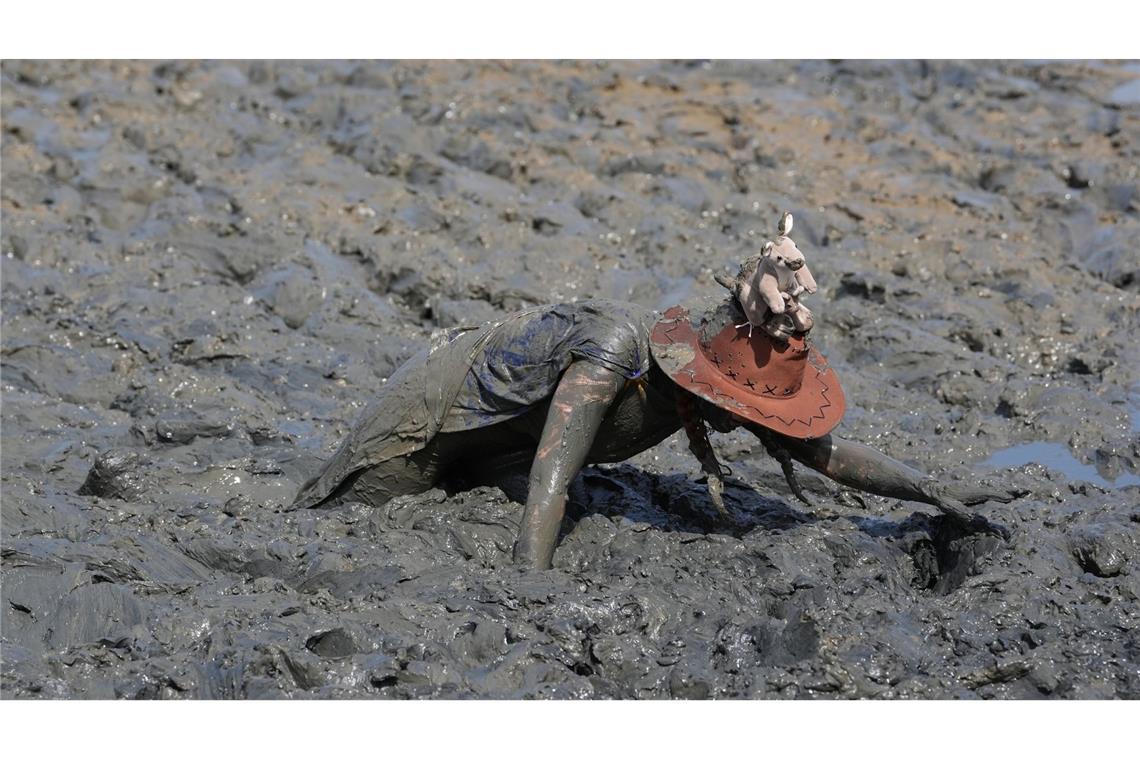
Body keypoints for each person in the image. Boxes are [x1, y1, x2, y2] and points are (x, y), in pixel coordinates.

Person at [292, 296, 1013, 570]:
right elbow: (554, 471)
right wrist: (531, 584)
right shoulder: (613, 352)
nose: (750, 424)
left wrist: (932, 491)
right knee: (342, 527)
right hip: (419, 440)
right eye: (746, 407)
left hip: (492, 459)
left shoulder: (710, 385)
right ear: (705, 379)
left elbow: (824, 455)